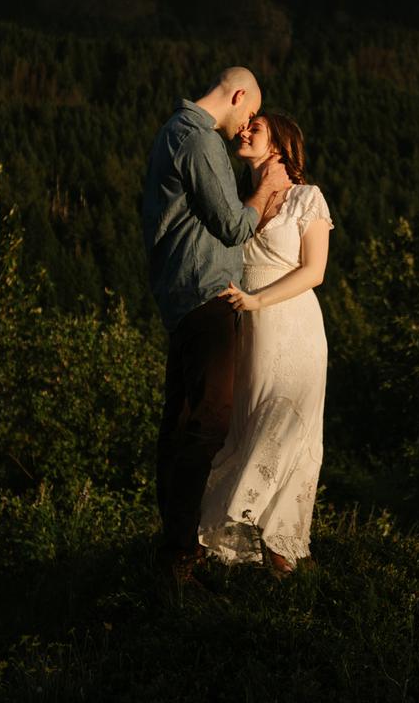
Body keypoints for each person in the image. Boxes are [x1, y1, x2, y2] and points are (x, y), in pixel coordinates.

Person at [142, 67, 289, 584]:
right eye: (248, 114)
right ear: (239, 95)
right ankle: (181, 551)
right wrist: (266, 190)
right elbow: (230, 224)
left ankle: (173, 544)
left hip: (180, 297)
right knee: (208, 419)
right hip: (205, 294)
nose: (246, 126)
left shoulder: (170, 132)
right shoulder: (198, 138)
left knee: (181, 421)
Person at [198, 112, 333, 576]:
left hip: (293, 324)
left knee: (282, 426)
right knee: (248, 424)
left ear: (279, 146)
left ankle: (280, 556)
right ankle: (248, 561)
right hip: (250, 328)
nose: (244, 131)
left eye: (256, 129)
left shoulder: (307, 198)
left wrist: (257, 301)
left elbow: (315, 271)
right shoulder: (241, 203)